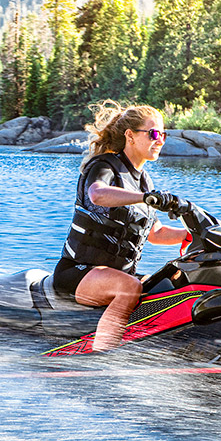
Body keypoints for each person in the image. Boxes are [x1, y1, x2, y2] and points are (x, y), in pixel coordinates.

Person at [52, 101, 190, 352]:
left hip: (112, 274)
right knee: (130, 287)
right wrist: (144, 198)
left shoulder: (144, 182)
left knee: (168, 287)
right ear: (130, 136)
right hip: (78, 272)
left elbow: (156, 234)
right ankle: (104, 357)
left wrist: (193, 234)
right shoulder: (104, 166)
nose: (160, 140)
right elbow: (98, 195)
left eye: (164, 135)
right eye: (154, 134)